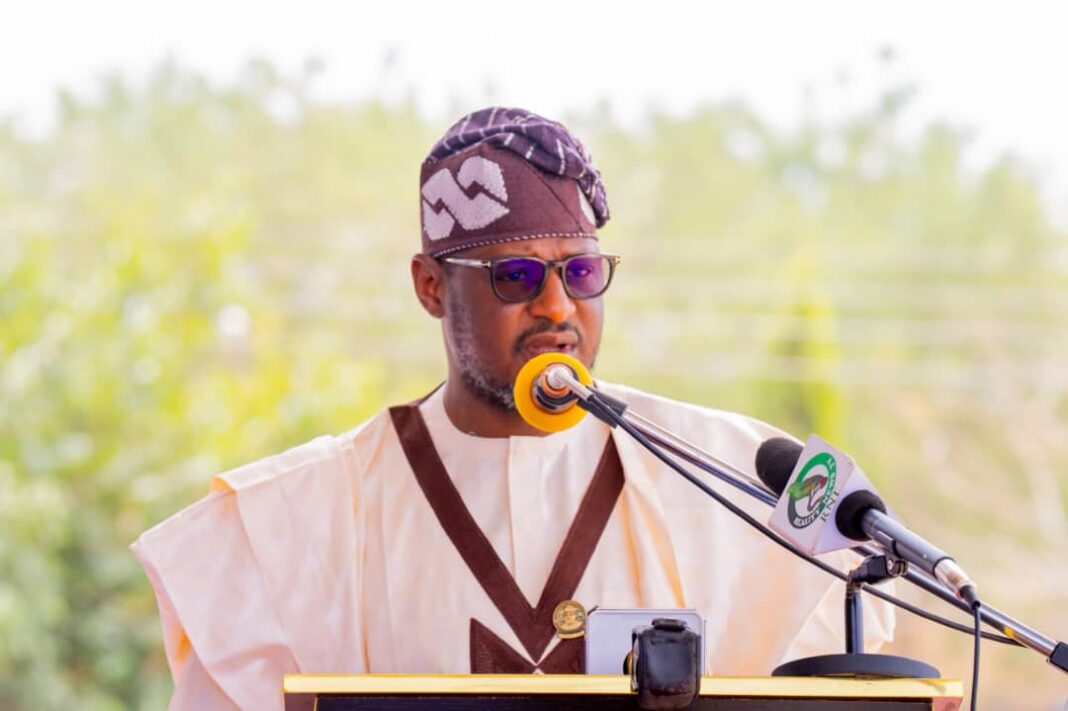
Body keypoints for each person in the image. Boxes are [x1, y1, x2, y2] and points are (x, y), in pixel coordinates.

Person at [133, 107, 893, 710]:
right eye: (517, 276)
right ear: (431, 286)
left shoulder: (730, 471)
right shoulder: (296, 517)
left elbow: (854, 631)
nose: (557, 306)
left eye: (581, 272)